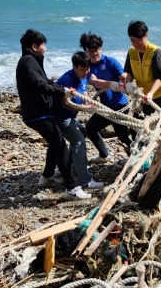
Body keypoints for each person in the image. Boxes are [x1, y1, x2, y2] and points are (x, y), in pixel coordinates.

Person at [15, 29, 91, 200]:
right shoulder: (28, 62)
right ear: (35, 46)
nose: (46, 49)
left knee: (55, 143)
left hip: (39, 113)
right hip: (37, 114)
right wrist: (62, 92)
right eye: (43, 45)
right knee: (60, 145)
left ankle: (47, 177)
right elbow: (40, 85)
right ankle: (72, 188)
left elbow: (47, 82)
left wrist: (62, 90)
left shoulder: (32, 61)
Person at [52, 51, 104, 190]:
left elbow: (84, 93)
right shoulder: (65, 80)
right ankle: (85, 181)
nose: (85, 72)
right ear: (74, 67)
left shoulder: (84, 76)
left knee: (83, 132)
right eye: (82, 69)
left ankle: (72, 166)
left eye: (87, 69)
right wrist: (84, 109)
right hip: (61, 118)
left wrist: (89, 104)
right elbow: (66, 103)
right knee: (79, 142)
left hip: (70, 117)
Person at [81, 32, 133, 163]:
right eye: (90, 50)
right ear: (85, 51)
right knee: (90, 129)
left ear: (101, 48)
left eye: (96, 49)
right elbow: (94, 81)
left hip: (120, 105)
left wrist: (128, 82)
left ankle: (135, 159)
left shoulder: (111, 61)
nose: (94, 53)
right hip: (105, 108)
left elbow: (123, 77)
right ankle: (104, 155)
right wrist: (110, 84)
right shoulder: (87, 67)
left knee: (122, 136)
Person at [123, 20, 161, 112]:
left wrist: (151, 94)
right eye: (132, 40)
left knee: (159, 123)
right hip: (143, 95)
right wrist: (128, 83)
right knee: (139, 122)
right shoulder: (131, 52)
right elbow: (130, 72)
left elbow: (159, 78)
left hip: (160, 95)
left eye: (139, 40)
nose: (136, 44)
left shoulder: (156, 52)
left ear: (146, 35)